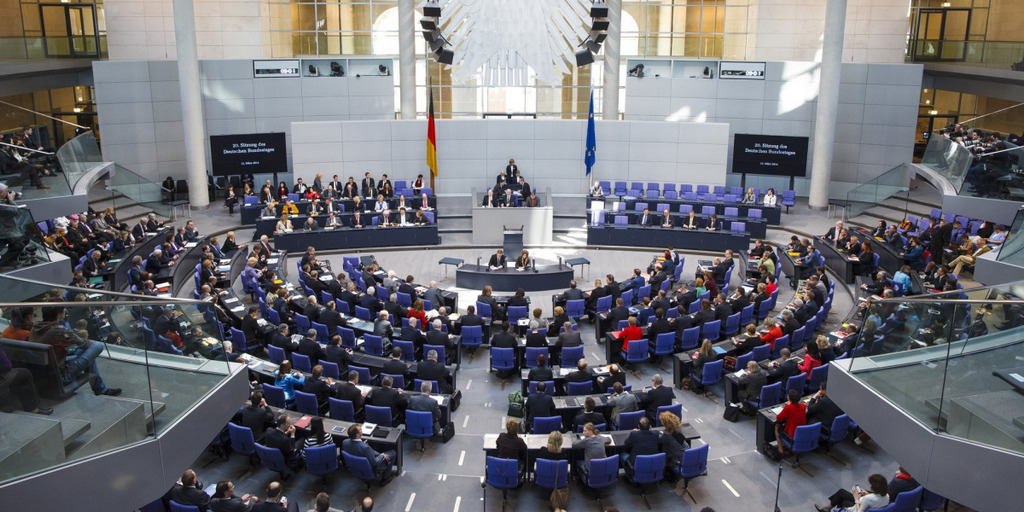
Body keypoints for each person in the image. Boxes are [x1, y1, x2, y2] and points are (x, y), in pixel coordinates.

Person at [30, 304, 120, 396]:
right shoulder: (60, 330)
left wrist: (74, 346)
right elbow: (84, 344)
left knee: (83, 352)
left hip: (43, 374)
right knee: (97, 346)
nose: (65, 310)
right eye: (64, 309)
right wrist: (81, 342)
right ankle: (101, 389)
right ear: (58, 314)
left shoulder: (36, 327)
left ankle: (101, 389)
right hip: (61, 376)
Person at [815, 473, 890, 512]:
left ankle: (828, 509)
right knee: (841, 493)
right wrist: (866, 493)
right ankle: (827, 508)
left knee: (842, 499)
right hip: (868, 505)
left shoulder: (867, 499)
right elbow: (875, 498)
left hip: (859, 507)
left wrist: (856, 498)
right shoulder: (887, 496)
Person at [775, 389, 807, 457]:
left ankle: (780, 449)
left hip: (791, 436)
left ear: (789, 398)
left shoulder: (788, 408)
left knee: (776, 427)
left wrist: (787, 406)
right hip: (802, 433)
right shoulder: (803, 406)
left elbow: (778, 418)